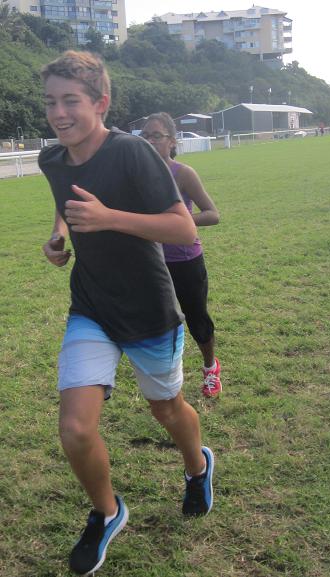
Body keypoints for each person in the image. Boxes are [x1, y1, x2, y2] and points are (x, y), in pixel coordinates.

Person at [39, 51, 215, 576]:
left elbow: (184, 227)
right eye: (50, 102)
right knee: (75, 428)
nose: (59, 113)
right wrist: (59, 236)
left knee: (167, 410)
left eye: (71, 101)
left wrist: (108, 218)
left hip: (147, 308)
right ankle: (107, 511)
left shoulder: (133, 152)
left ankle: (198, 466)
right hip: (91, 306)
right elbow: (66, 203)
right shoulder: (52, 159)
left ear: (101, 102)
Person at [141, 112, 222, 397]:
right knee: (159, 322)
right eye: (145, 136)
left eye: (156, 136)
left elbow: (213, 214)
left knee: (197, 320)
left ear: (172, 141)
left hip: (185, 260)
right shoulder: (135, 175)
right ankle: (167, 378)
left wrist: (180, 222)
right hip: (151, 262)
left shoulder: (183, 174)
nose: (150, 141)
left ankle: (210, 368)